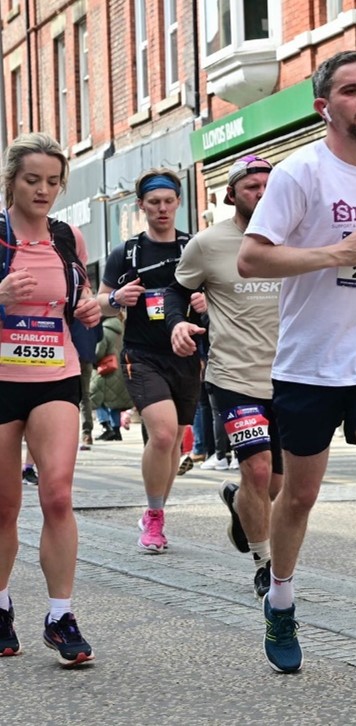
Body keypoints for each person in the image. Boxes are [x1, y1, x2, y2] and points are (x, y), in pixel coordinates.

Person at [237, 50, 356, 683]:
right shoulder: (300, 174)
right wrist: (331, 253)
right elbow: (251, 260)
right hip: (309, 362)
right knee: (300, 496)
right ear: (325, 106)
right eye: (351, 90)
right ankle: (282, 600)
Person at [0, 132, 101, 665]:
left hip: (55, 375)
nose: (43, 190)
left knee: (57, 495)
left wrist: (91, 308)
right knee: (3, 505)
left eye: (53, 182)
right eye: (32, 180)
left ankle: (60, 615)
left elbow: (80, 297)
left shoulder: (68, 238)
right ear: (12, 180)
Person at [166, 154, 283, 598]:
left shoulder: (296, 238)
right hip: (233, 375)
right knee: (257, 470)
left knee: (277, 484)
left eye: (269, 184)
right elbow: (177, 291)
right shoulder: (208, 243)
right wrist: (178, 322)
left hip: (291, 377)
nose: (262, 192)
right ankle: (264, 562)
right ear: (231, 194)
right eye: (252, 186)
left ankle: (239, 505)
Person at [96, 168, 204, 552]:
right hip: (141, 355)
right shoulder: (126, 253)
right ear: (141, 205)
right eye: (154, 203)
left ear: (178, 202)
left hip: (187, 355)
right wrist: (115, 300)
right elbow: (97, 304)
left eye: (168, 202)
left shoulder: (194, 247)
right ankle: (154, 517)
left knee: (173, 442)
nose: (162, 209)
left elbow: (223, 293)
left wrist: (206, 302)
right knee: (161, 433)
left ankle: (156, 512)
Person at [90, 312, 133, 441]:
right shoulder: (122, 329)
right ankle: (116, 430)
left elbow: (98, 352)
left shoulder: (104, 330)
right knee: (115, 401)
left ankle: (106, 427)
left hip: (105, 369)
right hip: (120, 369)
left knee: (98, 398)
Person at [71, 318, 101, 450]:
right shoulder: (93, 309)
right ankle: (86, 432)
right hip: (87, 357)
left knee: (67, 396)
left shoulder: (69, 310)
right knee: (85, 395)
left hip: (70, 356)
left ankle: (67, 433)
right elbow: (100, 335)